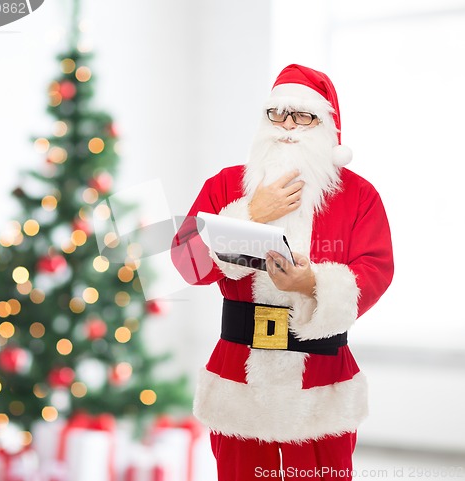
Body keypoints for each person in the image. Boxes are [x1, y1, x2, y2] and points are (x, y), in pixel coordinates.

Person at [171, 64, 394, 481]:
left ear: (326, 125)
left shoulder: (360, 195)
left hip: (321, 386)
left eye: (303, 115)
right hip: (240, 385)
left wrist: (311, 283)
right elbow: (186, 263)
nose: (287, 126)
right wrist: (252, 214)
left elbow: (376, 270)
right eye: (278, 114)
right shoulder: (225, 186)